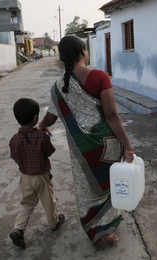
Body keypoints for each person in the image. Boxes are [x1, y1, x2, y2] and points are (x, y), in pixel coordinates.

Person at [39, 35, 134, 246]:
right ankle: (108, 226)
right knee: (109, 184)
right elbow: (111, 116)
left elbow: (51, 116)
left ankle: (96, 230)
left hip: (82, 149)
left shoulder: (58, 86)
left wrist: (41, 126)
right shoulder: (100, 76)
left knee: (86, 189)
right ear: (83, 50)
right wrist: (128, 146)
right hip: (107, 144)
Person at [9, 98, 65, 249]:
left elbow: (14, 156)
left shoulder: (14, 139)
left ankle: (18, 229)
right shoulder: (41, 137)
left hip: (25, 177)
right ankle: (54, 223)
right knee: (48, 201)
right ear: (36, 118)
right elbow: (50, 152)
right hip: (41, 176)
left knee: (26, 203)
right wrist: (46, 135)